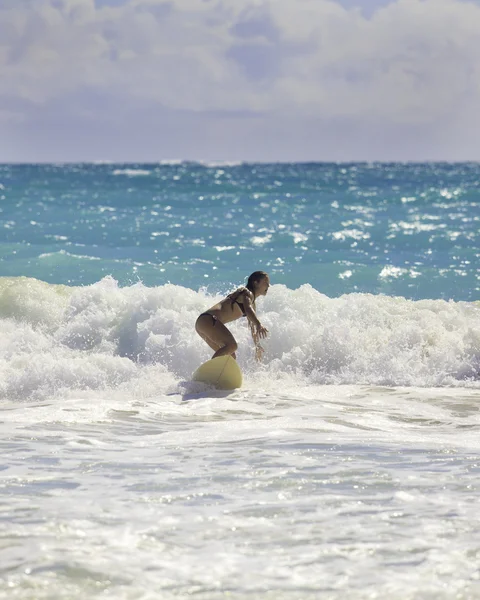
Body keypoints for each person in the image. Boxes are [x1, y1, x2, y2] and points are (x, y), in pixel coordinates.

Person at [195, 271, 270, 362]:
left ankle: (217, 374)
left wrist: (257, 345)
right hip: (208, 320)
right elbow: (248, 308)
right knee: (232, 346)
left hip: (203, 323)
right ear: (255, 282)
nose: (268, 286)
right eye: (266, 282)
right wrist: (259, 324)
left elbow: (252, 326)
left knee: (230, 355)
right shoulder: (247, 292)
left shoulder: (252, 302)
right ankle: (210, 371)